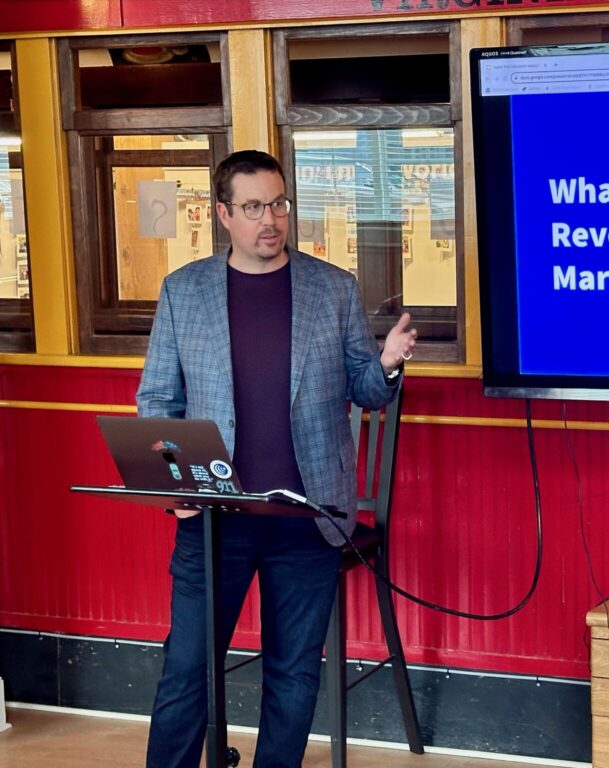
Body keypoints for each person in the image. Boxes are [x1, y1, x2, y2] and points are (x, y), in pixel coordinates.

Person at [137, 149, 416, 768]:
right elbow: (158, 399)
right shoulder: (183, 291)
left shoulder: (333, 287)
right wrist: (175, 482)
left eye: (279, 204)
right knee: (186, 671)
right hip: (216, 520)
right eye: (255, 206)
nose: (271, 219)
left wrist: (387, 366)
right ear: (223, 214)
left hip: (307, 519)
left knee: (292, 676)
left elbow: (364, 390)